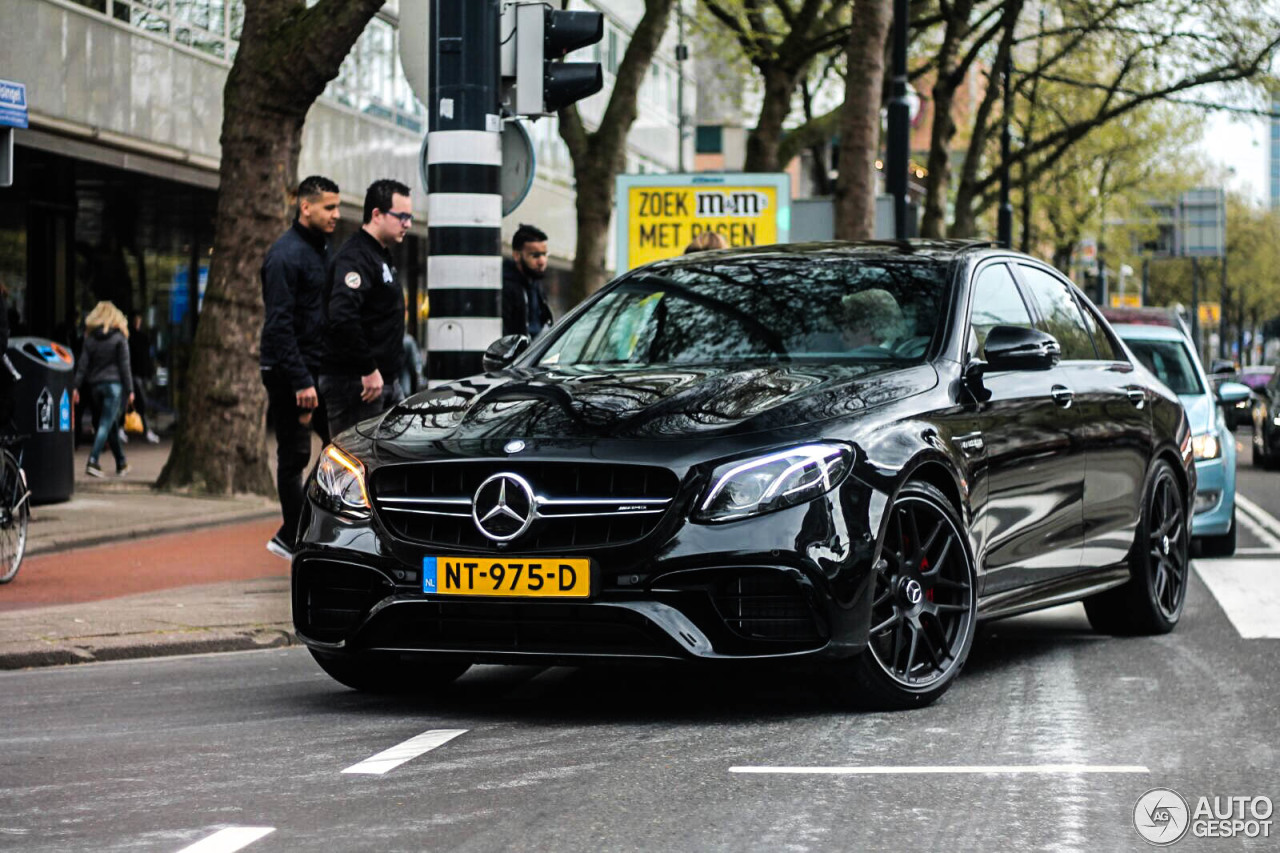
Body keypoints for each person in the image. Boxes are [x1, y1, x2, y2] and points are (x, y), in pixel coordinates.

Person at [260, 175, 341, 559]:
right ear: (305, 206)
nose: (336, 215)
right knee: (293, 457)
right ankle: (294, 539)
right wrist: (300, 381)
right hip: (290, 372)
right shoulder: (284, 255)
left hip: (317, 370)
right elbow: (279, 325)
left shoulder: (321, 250)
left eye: (337, 207)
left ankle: (290, 532)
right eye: (329, 207)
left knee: (340, 449)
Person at [319, 178, 412, 438]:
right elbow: (342, 316)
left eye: (410, 216)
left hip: (383, 381)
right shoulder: (356, 256)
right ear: (377, 214)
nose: (408, 223)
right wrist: (368, 369)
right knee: (355, 467)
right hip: (358, 384)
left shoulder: (380, 255)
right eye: (401, 216)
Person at [72, 301, 132, 478]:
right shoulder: (119, 338)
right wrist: (130, 390)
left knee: (109, 424)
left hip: (95, 387)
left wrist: (76, 387)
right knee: (106, 423)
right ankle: (93, 460)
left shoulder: (90, 339)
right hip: (114, 386)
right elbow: (124, 367)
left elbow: (82, 366)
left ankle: (121, 462)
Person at [502, 223, 553, 338]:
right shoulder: (506, 288)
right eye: (535, 256)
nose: (542, 261)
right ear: (517, 255)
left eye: (544, 255)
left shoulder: (535, 284)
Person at [127, 312, 160, 443]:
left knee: (135, 402)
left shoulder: (132, 338)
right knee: (140, 403)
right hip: (137, 373)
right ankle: (145, 429)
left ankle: (122, 428)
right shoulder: (138, 338)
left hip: (136, 373)